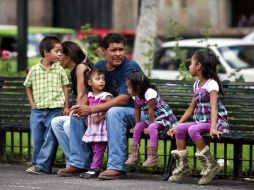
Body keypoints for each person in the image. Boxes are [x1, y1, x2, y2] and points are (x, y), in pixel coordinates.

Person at [71, 32, 142, 180]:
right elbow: (92, 92)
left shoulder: (131, 67)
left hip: (139, 113)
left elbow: (124, 99)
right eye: (113, 50)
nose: (118, 54)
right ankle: (80, 163)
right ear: (104, 51)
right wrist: (82, 109)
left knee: (115, 112)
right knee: (77, 115)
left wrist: (91, 109)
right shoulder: (100, 66)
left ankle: (117, 166)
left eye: (121, 50)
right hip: (107, 113)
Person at [168, 50, 229, 185]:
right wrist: (176, 125)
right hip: (201, 121)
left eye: (191, 63)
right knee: (181, 129)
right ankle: (183, 166)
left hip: (216, 122)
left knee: (193, 130)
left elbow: (214, 107)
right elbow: (191, 108)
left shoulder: (211, 84)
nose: (189, 66)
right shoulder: (196, 84)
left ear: (198, 66)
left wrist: (213, 128)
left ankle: (211, 165)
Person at [24, 36, 70, 174]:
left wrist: (66, 106)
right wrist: (32, 103)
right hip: (37, 111)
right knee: (37, 139)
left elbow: (65, 87)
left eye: (61, 51)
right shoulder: (34, 69)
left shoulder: (59, 69)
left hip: (55, 110)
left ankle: (43, 165)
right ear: (46, 52)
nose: (60, 54)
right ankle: (37, 164)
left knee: (50, 138)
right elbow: (28, 86)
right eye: (57, 51)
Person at [51, 41, 94, 177]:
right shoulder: (73, 70)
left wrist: (76, 112)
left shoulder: (81, 67)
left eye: (60, 53)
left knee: (69, 124)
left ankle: (82, 162)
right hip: (83, 109)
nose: (58, 56)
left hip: (92, 111)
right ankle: (74, 162)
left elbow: (82, 94)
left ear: (68, 55)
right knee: (56, 122)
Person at [125, 71, 178, 167]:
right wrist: (136, 125)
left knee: (152, 127)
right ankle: (134, 155)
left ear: (136, 86)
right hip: (155, 119)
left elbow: (151, 112)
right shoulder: (137, 96)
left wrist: (149, 126)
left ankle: (153, 156)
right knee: (138, 127)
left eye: (129, 87)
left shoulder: (150, 93)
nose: (127, 89)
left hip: (165, 118)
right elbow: (137, 110)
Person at [80, 68, 113, 179]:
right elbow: (84, 107)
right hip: (92, 128)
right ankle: (94, 167)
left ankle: (95, 169)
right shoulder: (89, 95)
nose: (101, 81)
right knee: (95, 148)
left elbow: (112, 109)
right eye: (98, 79)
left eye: (103, 79)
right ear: (90, 82)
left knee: (99, 148)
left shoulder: (106, 95)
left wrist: (101, 117)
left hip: (102, 127)